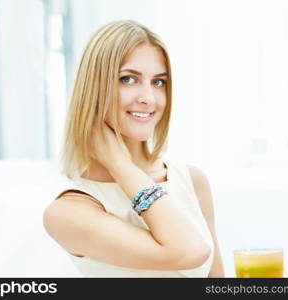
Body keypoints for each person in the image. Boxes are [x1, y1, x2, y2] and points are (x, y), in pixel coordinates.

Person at [43, 20, 224, 277]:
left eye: (159, 82)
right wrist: (121, 165)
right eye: (128, 79)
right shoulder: (69, 211)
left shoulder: (191, 180)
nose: (148, 98)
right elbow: (190, 251)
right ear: (93, 89)